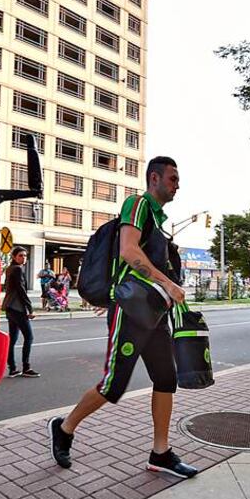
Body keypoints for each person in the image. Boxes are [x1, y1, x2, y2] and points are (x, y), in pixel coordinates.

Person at [48, 157, 198, 478]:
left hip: (153, 314)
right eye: (172, 178)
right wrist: (168, 283)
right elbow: (128, 251)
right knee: (113, 384)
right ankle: (64, 428)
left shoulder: (156, 221)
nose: (178, 185)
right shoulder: (137, 204)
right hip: (130, 312)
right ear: (154, 178)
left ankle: (160, 453)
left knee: (166, 379)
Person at [2, 247, 39, 377]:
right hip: (17, 308)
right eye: (20, 256)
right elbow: (21, 290)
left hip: (9, 307)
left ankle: (12, 368)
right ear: (14, 257)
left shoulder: (10, 269)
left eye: (25, 256)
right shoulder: (17, 269)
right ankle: (26, 368)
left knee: (13, 339)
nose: (24, 258)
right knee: (29, 337)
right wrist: (29, 308)